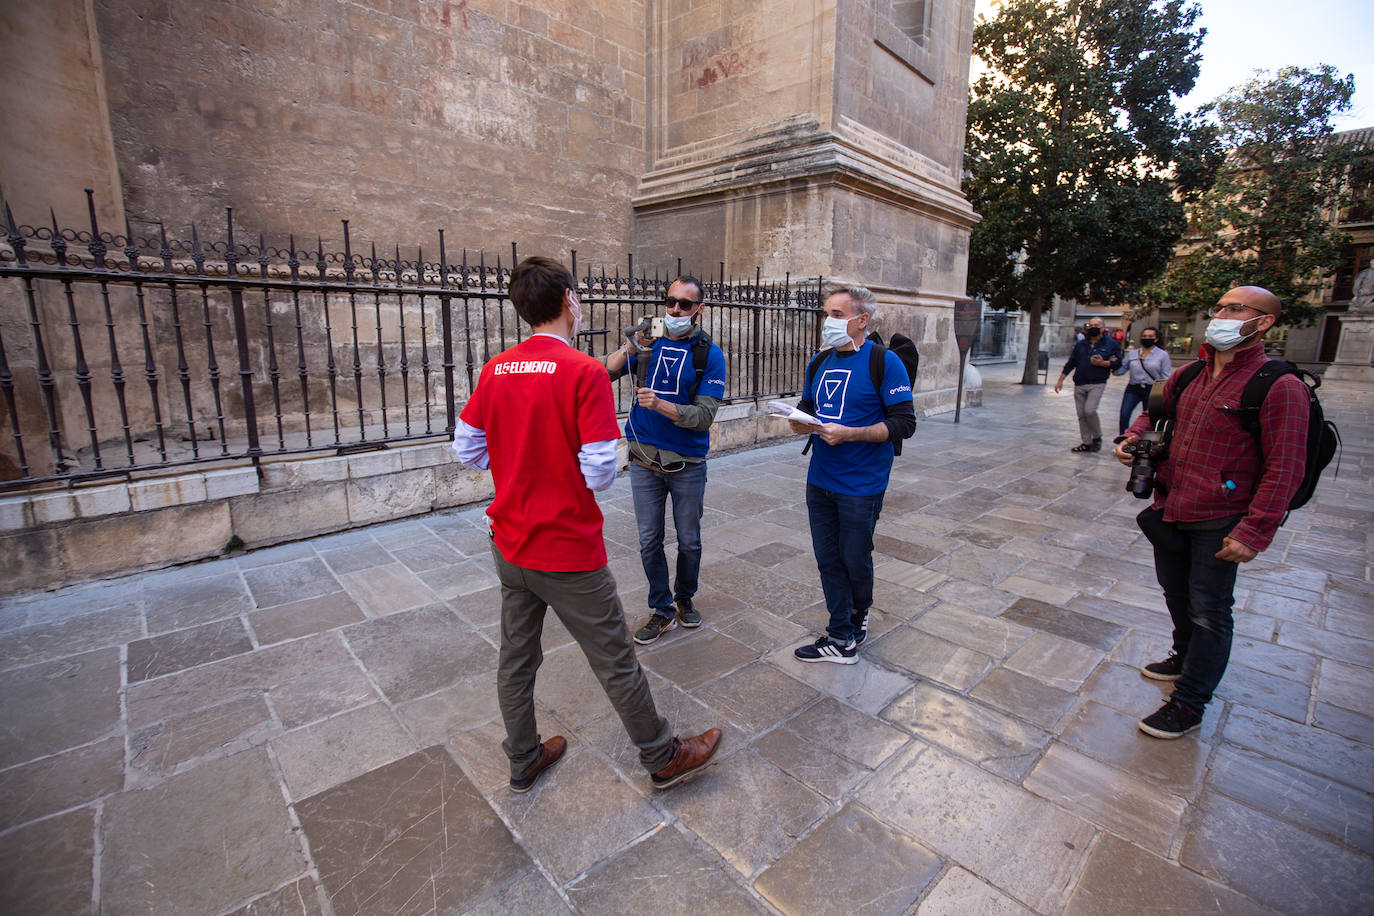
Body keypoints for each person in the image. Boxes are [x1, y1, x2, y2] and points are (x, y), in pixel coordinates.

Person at [452, 256, 721, 792]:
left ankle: (523, 757)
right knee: (616, 660)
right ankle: (662, 755)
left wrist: (517, 462)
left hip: (509, 543)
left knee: (516, 658)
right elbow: (598, 471)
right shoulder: (583, 371)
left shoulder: (496, 369)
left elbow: (467, 449)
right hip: (566, 548)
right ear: (571, 301)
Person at [1114, 285, 1308, 739]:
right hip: (1173, 504)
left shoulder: (1280, 386)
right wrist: (1130, 439)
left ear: (1263, 322)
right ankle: (1184, 657)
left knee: (1210, 610)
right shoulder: (1190, 374)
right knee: (1175, 594)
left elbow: (1286, 467)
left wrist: (1255, 531)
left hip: (1222, 517)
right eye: (1218, 306)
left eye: (1234, 308)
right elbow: (1152, 417)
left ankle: (1190, 702)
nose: (1220, 314)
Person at [787, 285, 916, 663]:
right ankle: (842, 632)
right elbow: (806, 408)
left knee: (854, 556)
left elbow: (904, 423)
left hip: (862, 483)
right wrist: (799, 423)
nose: (829, 322)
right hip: (820, 479)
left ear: (862, 321)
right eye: (827, 313)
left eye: (838, 315)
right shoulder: (819, 362)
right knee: (828, 558)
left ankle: (855, 618)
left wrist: (851, 434)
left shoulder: (883, 362)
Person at [603, 277, 727, 645]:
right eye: (670, 302)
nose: (674, 310)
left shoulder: (709, 355)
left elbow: (704, 415)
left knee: (688, 540)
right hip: (643, 459)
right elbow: (604, 372)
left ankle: (684, 597)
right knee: (648, 540)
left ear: (699, 310)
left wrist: (660, 404)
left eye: (685, 305)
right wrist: (631, 346)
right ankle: (662, 609)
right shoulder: (648, 343)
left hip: (686, 462)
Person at [1054, 316, 1123, 451]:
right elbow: (1071, 362)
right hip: (1079, 382)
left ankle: (1097, 437)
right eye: (1090, 325)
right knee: (1081, 414)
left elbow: (1118, 362)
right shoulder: (1081, 344)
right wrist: (1060, 380)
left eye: (1096, 325)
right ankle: (1086, 442)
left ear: (1103, 328)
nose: (1093, 327)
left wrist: (1103, 363)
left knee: (1089, 411)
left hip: (1097, 382)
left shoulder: (1111, 344)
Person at [1114, 327, 1173, 434]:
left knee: (1150, 418)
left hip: (1152, 389)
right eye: (1144, 336)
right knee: (1124, 414)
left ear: (1156, 339)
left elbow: (1166, 376)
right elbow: (1121, 370)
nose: (1147, 338)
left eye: (1150, 336)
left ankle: (1146, 443)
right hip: (1133, 388)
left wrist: (1164, 392)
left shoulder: (1162, 355)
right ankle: (1122, 439)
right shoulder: (1133, 354)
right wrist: (1112, 364)